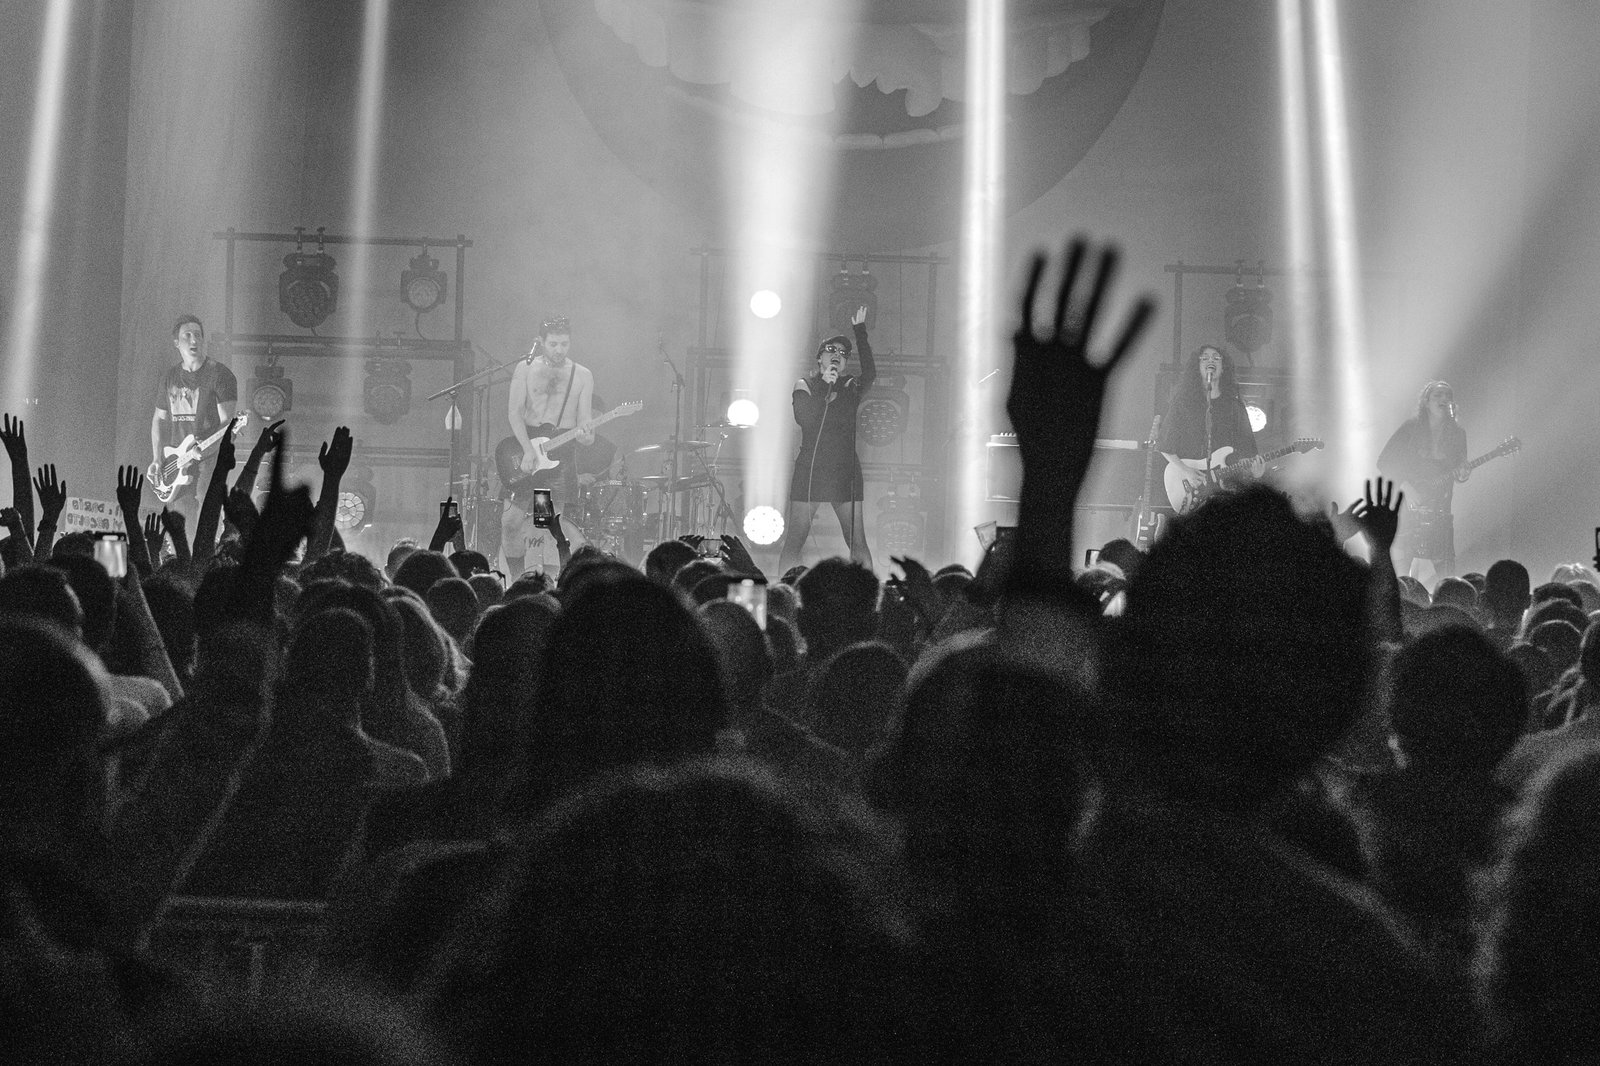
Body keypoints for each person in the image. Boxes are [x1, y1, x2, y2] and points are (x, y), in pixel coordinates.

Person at [778, 306, 876, 572]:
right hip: (811, 468)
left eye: (843, 353)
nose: (837, 355)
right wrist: (823, 386)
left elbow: (870, 375)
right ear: (819, 357)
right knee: (794, 540)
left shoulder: (850, 386)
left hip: (844, 470)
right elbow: (804, 419)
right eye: (831, 350)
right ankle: (784, 590)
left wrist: (860, 332)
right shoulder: (805, 385)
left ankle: (867, 591)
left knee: (856, 541)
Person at [500, 315, 594, 579]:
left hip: (560, 453)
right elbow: (514, 413)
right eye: (553, 344)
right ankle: (517, 579)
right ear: (540, 341)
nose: (559, 350)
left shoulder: (582, 375)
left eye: (564, 344)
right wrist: (527, 449)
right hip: (526, 448)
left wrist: (587, 437)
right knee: (510, 522)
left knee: (551, 524)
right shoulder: (525, 368)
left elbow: (585, 422)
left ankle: (557, 582)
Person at [148, 315, 237, 527]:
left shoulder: (220, 374)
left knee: (206, 513)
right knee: (180, 520)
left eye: (197, 335)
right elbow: (159, 419)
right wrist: (157, 458)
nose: (194, 340)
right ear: (176, 343)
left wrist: (204, 451)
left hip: (210, 458)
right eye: (187, 335)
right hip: (177, 460)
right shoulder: (170, 377)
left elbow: (228, 426)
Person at [1377, 380, 1468, 583]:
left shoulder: (1457, 434)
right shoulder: (1410, 429)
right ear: (1426, 402)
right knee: (1401, 569)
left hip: (1440, 510)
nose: (1444, 399)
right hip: (1407, 509)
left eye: (1448, 396)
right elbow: (1384, 462)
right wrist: (1406, 487)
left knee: (1445, 574)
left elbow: (1460, 471)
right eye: (1438, 395)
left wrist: (1463, 473)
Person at [1156, 344, 1263, 513]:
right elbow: (1164, 445)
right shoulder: (1183, 403)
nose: (1210, 360)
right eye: (1204, 358)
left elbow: (1248, 452)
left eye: (1216, 358)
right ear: (1197, 367)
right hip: (1191, 489)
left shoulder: (1235, 407)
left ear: (1223, 367)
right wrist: (1187, 471)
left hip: (1225, 494)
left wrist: (1256, 473)